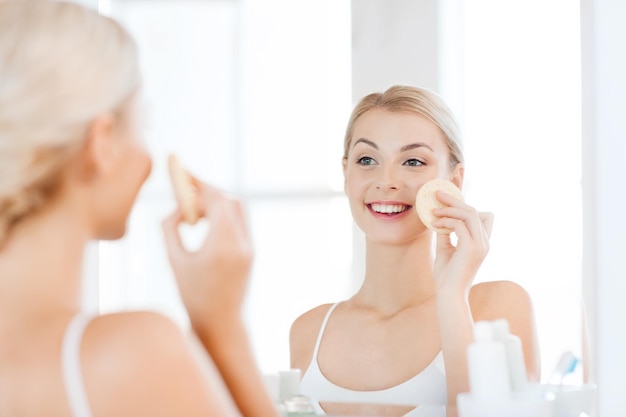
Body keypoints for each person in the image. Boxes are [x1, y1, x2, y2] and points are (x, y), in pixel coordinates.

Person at [0, 2, 278, 416]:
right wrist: (221, 325)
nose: (147, 155)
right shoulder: (133, 357)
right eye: (141, 121)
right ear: (103, 142)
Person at [289, 85, 541, 417]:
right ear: (346, 173)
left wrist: (452, 297)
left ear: (455, 179)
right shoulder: (308, 330)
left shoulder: (496, 310)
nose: (387, 181)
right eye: (367, 159)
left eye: (412, 161)